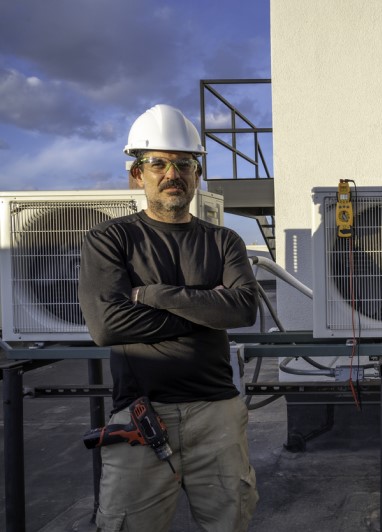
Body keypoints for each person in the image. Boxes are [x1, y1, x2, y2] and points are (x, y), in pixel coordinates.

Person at [78, 104, 260, 531]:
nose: (171, 173)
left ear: (197, 175)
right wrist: (205, 310)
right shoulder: (110, 238)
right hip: (141, 414)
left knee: (231, 522)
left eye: (183, 163)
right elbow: (107, 326)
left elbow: (244, 309)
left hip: (217, 414)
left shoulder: (224, 240)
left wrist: (155, 296)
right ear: (137, 175)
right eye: (157, 163)